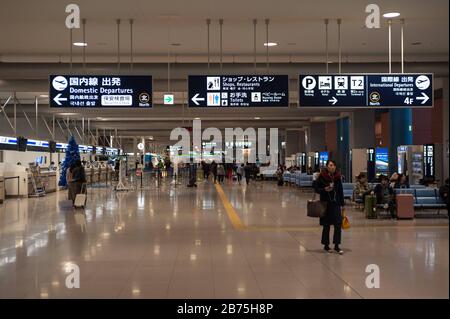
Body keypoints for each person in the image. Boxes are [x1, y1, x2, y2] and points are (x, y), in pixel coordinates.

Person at [314, 159, 345, 254]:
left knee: (338, 225)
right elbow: (316, 189)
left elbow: (340, 191)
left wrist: (342, 204)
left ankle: (336, 245)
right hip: (325, 204)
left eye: (333, 165)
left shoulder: (338, 177)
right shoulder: (321, 177)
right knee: (326, 225)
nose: (332, 167)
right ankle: (326, 245)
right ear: (327, 166)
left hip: (335, 204)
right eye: (330, 165)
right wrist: (324, 189)